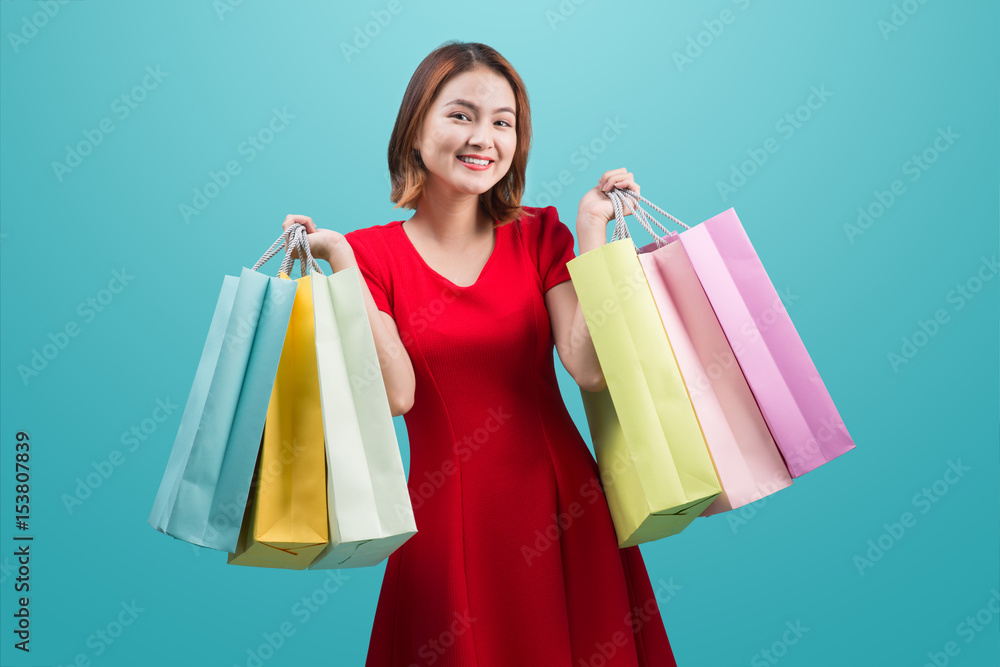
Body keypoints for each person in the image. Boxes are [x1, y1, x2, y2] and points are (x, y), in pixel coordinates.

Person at [282, 41, 678, 667]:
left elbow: (588, 367)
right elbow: (396, 395)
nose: (484, 138)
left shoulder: (540, 232)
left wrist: (593, 227)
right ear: (415, 129)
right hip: (447, 511)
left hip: (565, 505)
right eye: (460, 115)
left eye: (503, 122)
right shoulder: (369, 255)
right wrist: (341, 265)